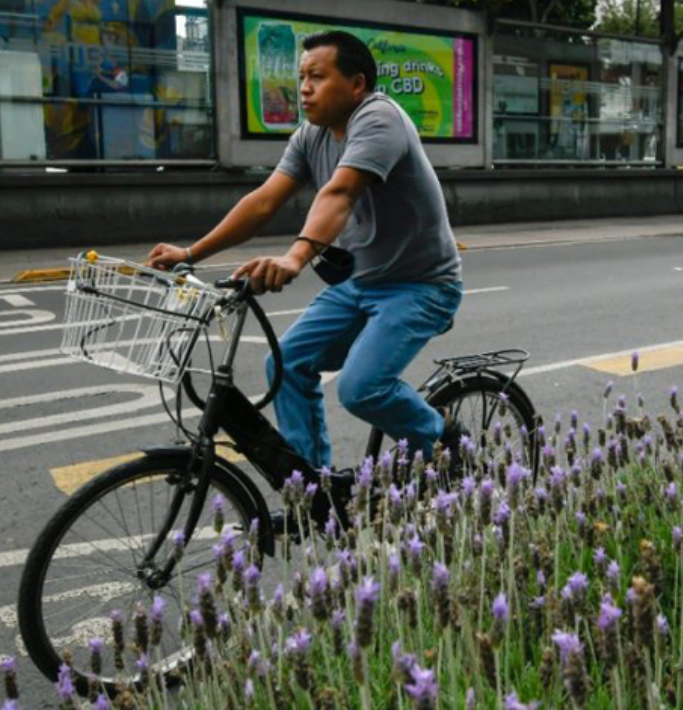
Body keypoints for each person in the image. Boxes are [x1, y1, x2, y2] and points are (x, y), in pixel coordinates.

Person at [146, 30, 464, 468]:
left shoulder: (379, 119)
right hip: (361, 283)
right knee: (286, 365)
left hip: (422, 286)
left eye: (317, 76)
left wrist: (295, 257)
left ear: (356, 84)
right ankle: (314, 491)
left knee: (361, 388)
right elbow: (262, 202)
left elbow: (340, 193)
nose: (304, 88)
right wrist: (190, 254)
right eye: (301, 78)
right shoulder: (309, 137)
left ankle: (445, 437)